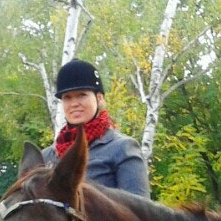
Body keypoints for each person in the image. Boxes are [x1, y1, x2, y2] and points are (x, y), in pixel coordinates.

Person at [43, 58, 151, 198]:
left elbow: (138, 208)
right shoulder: (47, 156)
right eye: (67, 98)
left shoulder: (122, 149)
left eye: (82, 95)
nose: (74, 103)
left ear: (99, 98)